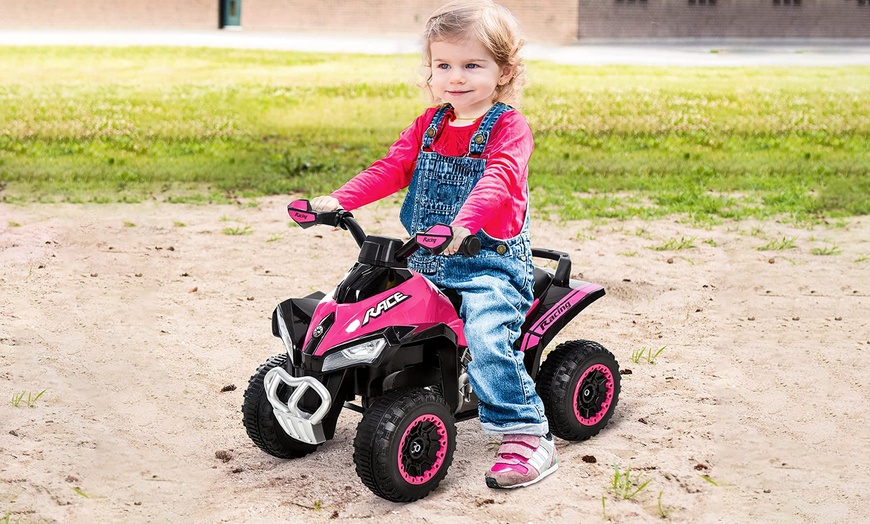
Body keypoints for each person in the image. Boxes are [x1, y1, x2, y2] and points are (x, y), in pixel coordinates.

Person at [310, 0, 556, 489]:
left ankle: (526, 433)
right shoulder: (430, 125)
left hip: (490, 264)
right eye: (443, 65)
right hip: (422, 258)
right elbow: (391, 168)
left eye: (471, 65)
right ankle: (320, 393)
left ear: (503, 71)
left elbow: (499, 179)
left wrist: (464, 224)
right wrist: (338, 199)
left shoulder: (509, 127)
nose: (455, 77)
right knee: (355, 305)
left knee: (487, 337)